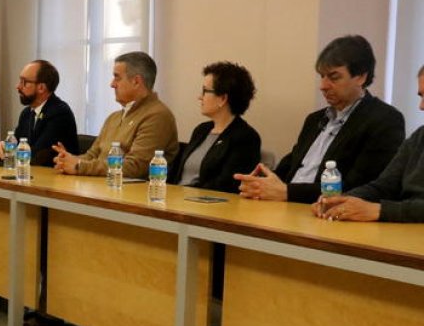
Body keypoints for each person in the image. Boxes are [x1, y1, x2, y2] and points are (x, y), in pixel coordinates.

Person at [235, 34, 405, 203]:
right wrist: (260, 183)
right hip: (286, 207)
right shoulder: (314, 120)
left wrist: (287, 192)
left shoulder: (385, 120)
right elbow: (290, 167)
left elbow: (361, 187)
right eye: (322, 76)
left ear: (361, 77)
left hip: (329, 214)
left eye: (334, 77)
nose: (323, 86)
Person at [313, 64, 424, 222]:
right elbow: (383, 186)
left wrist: (380, 211)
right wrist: (338, 202)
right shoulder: (419, 138)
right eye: (421, 96)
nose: (421, 106)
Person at [53, 51, 179, 177]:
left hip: (132, 193)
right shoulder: (113, 117)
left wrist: (79, 166)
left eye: (117, 77)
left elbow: (135, 167)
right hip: (101, 187)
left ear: (136, 81)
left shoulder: (158, 116)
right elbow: (92, 155)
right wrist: (68, 160)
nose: (112, 84)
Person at [167, 61, 262, 194]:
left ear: (222, 98)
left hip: (207, 206)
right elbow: (177, 175)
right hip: (178, 200)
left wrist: (182, 194)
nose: (200, 97)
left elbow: (226, 186)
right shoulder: (201, 130)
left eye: (205, 91)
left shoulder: (246, 138)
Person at [0, 59, 79, 167]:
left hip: (55, 180)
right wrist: (1, 146)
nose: (18, 87)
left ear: (41, 88)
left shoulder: (60, 113)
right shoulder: (27, 113)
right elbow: (16, 143)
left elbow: (38, 156)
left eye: (24, 82)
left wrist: (10, 152)